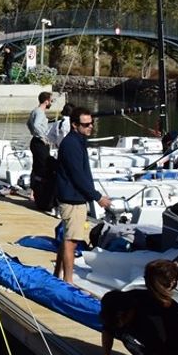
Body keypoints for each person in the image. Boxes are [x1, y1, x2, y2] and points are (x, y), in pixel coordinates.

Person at [54, 106, 111, 283]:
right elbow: (77, 176)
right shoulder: (71, 144)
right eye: (85, 124)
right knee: (72, 241)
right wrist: (98, 197)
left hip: (73, 197)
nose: (90, 127)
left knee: (67, 238)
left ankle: (57, 274)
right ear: (74, 125)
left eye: (91, 123)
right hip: (72, 199)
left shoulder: (77, 141)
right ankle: (68, 281)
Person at [26, 91, 55, 211]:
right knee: (42, 168)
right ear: (46, 101)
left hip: (35, 141)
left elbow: (28, 123)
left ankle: (33, 192)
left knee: (36, 166)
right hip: (39, 143)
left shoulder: (35, 110)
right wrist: (42, 137)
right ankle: (41, 195)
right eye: (51, 100)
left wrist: (33, 132)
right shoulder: (40, 112)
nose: (51, 102)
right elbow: (37, 125)